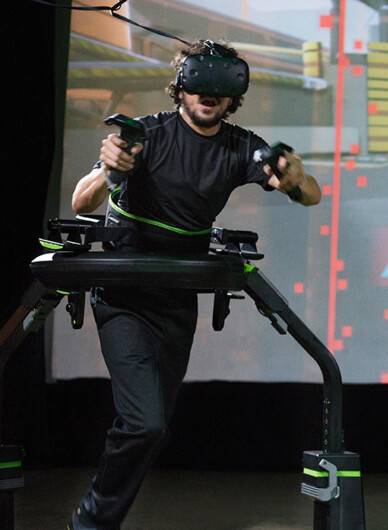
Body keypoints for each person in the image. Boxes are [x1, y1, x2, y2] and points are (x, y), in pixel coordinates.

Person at [67, 39, 321, 529]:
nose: (210, 93)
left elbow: (310, 194)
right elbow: (81, 202)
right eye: (200, 80)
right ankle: (91, 523)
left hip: (178, 297)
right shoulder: (146, 134)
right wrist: (110, 172)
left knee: (152, 428)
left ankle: (94, 518)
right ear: (181, 86)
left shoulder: (241, 147)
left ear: (234, 96)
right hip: (124, 295)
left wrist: (294, 179)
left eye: (222, 85)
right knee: (145, 424)